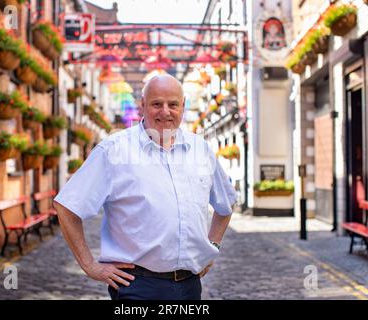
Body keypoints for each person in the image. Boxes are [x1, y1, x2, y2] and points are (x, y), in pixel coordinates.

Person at [53, 74, 237, 300]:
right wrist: (90, 265)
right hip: (138, 287)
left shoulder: (200, 150)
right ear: (143, 105)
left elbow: (225, 204)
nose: (165, 112)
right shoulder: (114, 150)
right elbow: (67, 206)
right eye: (156, 104)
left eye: (173, 104)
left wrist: (212, 246)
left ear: (183, 106)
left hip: (190, 286)